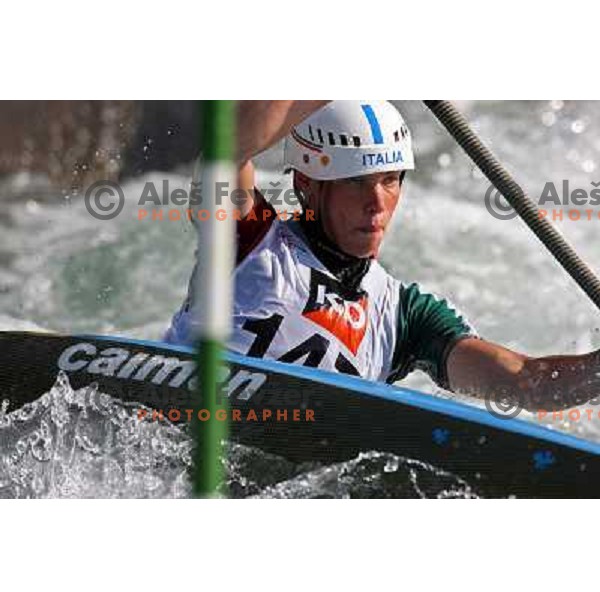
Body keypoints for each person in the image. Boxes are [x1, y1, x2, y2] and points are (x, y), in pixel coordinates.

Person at [165, 100, 600, 412]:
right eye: (355, 181)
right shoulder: (249, 236)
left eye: (390, 180)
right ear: (307, 185)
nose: (377, 202)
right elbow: (226, 152)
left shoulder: (404, 316)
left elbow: (524, 382)